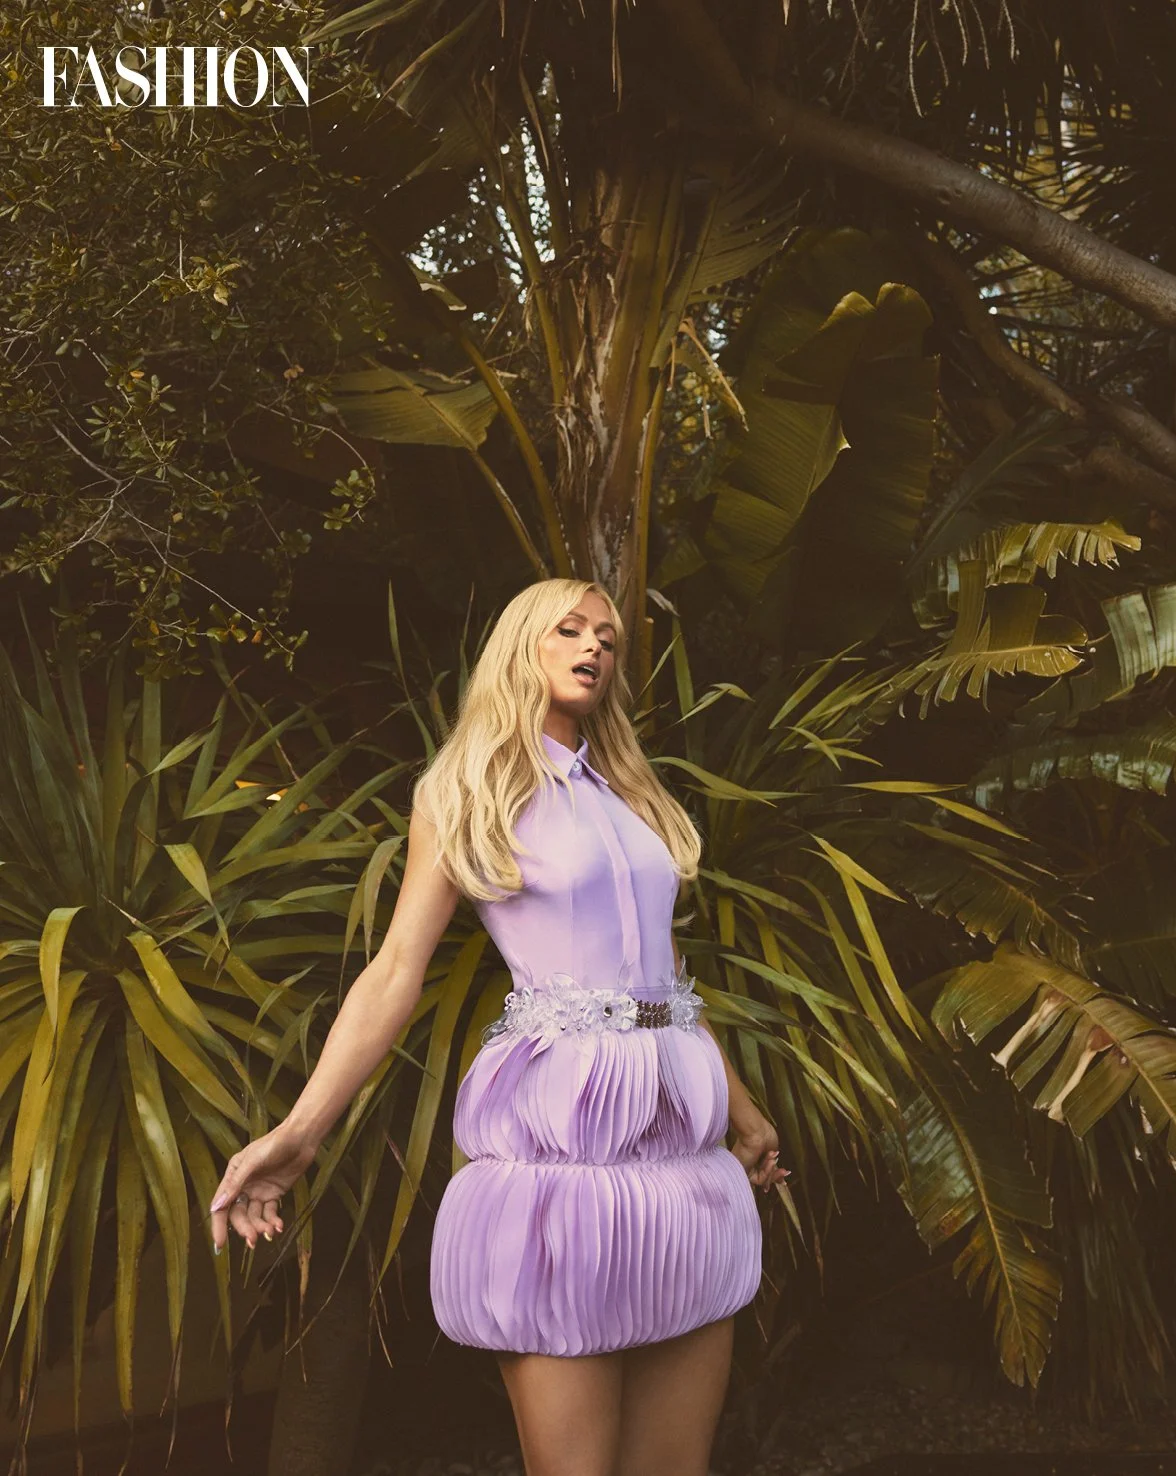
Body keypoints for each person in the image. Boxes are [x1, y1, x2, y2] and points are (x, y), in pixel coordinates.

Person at [209, 577, 788, 1476]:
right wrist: (300, 1131)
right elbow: (396, 970)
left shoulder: (631, 795)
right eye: (569, 630)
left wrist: (741, 1115)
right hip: (561, 1165)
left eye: (608, 638)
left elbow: (664, 981)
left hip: (686, 1170)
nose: (594, 647)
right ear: (523, 645)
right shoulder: (465, 791)